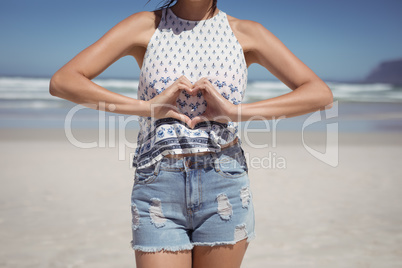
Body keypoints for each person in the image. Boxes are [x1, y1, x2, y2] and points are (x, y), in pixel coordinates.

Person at [49, 0, 333, 267]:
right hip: (158, 185)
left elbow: (318, 93)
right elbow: (64, 81)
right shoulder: (145, 26)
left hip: (224, 185)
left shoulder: (248, 33)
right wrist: (148, 108)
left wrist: (233, 112)